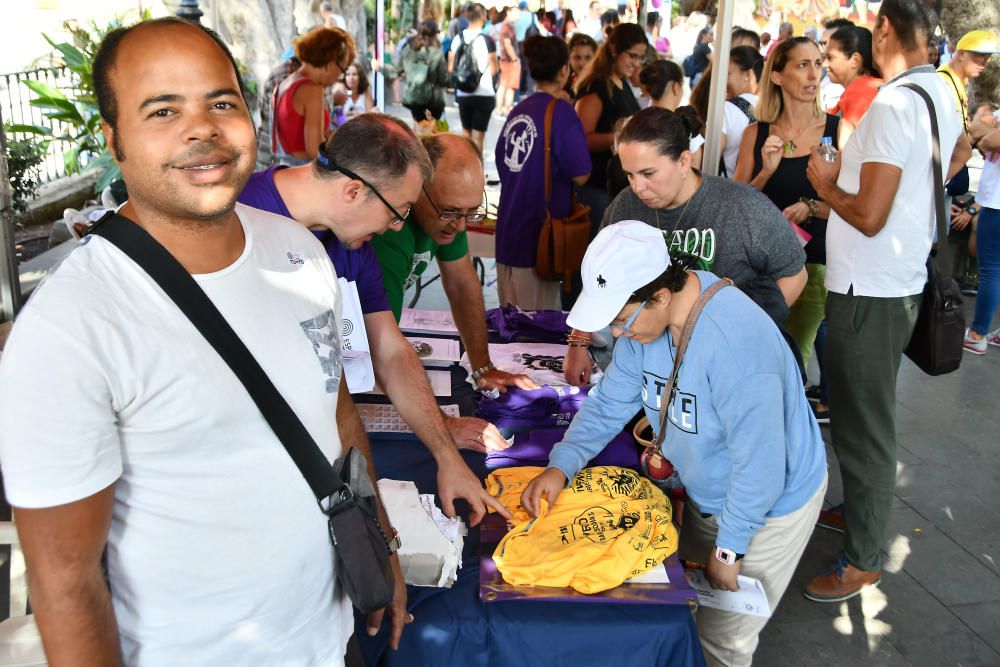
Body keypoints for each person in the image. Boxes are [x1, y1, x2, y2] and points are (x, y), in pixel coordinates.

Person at [0, 17, 394, 664]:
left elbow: (338, 414)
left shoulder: (299, 251)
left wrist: (382, 547)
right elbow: (66, 581)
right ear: (114, 138)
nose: (202, 128)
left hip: (327, 641)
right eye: (162, 110)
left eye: (221, 102)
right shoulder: (70, 326)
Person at [523, 220, 827, 667]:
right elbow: (609, 404)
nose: (619, 335)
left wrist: (731, 548)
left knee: (722, 641)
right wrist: (560, 465)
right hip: (710, 489)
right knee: (687, 615)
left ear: (660, 295)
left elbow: (759, 463)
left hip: (767, 509)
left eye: (622, 320)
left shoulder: (736, 344)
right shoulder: (646, 327)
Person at [804, 0, 971, 602]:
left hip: (871, 289)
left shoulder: (896, 102)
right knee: (858, 415)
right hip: (890, 283)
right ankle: (862, 516)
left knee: (864, 425)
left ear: (882, 31)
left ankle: (863, 559)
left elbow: (870, 214)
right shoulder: (937, 96)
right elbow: (941, 169)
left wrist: (825, 185)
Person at [563, 107, 808, 385]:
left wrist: (743, 330)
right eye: (629, 174)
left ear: (683, 161)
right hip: (649, 371)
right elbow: (600, 277)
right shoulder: (625, 205)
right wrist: (577, 344)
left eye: (648, 173)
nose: (638, 186)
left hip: (727, 372)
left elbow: (794, 273)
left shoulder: (741, 206)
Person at [370, 133, 537, 393]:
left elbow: (462, 283)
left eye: (471, 212)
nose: (460, 225)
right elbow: (380, 347)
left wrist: (483, 367)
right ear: (417, 186)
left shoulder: (450, 216)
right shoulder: (389, 231)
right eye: (449, 211)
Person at [735, 37, 844, 424]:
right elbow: (735, 205)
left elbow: (852, 206)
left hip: (813, 264)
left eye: (818, 63)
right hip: (758, 266)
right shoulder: (757, 134)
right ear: (777, 75)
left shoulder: (837, 131)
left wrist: (811, 206)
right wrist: (766, 171)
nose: (814, 73)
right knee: (754, 350)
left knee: (795, 350)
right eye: (802, 65)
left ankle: (784, 429)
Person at [495, 36, 592, 310]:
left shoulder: (518, 109)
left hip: (508, 232)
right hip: (540, 240)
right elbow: (581, 173)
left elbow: (504, 165)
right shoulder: (561, 113)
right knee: (534, 338)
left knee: (510, 329)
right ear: (564, 71)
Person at [938, 30, 999, 291]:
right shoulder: (943, 82)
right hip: (939, 178)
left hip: (948, 181)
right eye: (978, 57)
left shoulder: (958, 83)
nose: (983, 64)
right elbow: (971, 134)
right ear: (960, 53)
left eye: (986, 58)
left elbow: (973, 132)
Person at [574, 23, 647, 236]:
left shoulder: (621, 83)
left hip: (616, 186)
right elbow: (582, 140)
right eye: (632, 56)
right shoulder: (597, 86)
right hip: (596, 187)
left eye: (641, 57)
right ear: (614, 50)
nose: (636, 63)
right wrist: (619, 137)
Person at [274, 26, 354, 162]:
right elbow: (315, 150)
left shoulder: (288, 82)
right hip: (302, 169)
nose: (338, 78)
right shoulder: (312, 89)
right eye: (341, 71)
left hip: (286, 167)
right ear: (330, 65)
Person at [963, 104, 1000, 353]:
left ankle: (977, 333)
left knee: (991, 271)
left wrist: (987, 134)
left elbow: (987, 141)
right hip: (994, 203)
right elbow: (976, 125)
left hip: (997, 204)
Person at [448, 3, 499, 154]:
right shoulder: (487, 40)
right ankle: (479, 172)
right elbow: (494, 69)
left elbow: (450, 68)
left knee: (467, 137)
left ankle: (467, 174)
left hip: (464, 94)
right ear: (483, 17)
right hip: (484, 94)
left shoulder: (457, 39)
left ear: (467, 17)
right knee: (478, 139)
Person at [825, 26, 881, 130]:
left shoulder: (860, 92)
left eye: (830, 58)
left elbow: (848, 142)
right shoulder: (872, 87)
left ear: (855, 60)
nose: (825, 64)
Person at [720, 46, 763, 177]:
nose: (722, 80)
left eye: (727, 73)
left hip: (726, 191)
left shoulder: (726, 110)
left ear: (747, 75)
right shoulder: (770, 108)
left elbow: (710, 159)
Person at [400, 20, 449, 122]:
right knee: (432, 133)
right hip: (434, 102)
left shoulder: (408, 51)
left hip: (414, 99)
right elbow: (443, 79)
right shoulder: (437, 54)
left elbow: (398, 70)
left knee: (418, 131)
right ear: (434, 35)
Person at [819, 18, 855, 110]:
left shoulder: (865, 93)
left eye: (825, 43)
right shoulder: (826, 77)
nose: (821, 49)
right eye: (820, 43)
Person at [496, 5, 522, 117]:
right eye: (516, 14)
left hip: (506, 60)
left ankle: (502, 109)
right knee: (508, 87)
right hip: (509, 61)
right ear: (509, 12)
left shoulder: (507, 25)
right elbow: (507, 44)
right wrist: (515, 59)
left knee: (505, 86)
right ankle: (504, 110)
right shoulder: (507, 26)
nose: (518, 17)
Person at [566, 32, 597, 97]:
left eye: (587, 58)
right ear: (569, 58)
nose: (582, 63)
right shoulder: (562, 84)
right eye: (577, 57)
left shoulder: (602, 85)